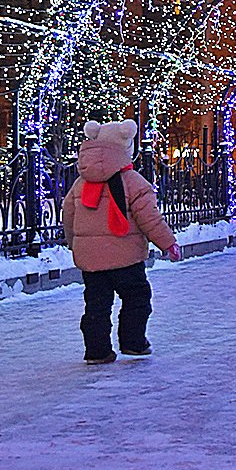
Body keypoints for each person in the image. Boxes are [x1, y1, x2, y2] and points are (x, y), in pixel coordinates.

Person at [61, 119, 182, 365]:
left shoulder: (81, 183)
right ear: (126, 148)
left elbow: (68, 213)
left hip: (91, 260)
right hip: (126, 257)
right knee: (137, 297)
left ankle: (97, 350)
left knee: (96, 304)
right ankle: (133, 342)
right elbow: (149, 218)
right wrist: (168, 243)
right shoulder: (134, 181)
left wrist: (75, 242)